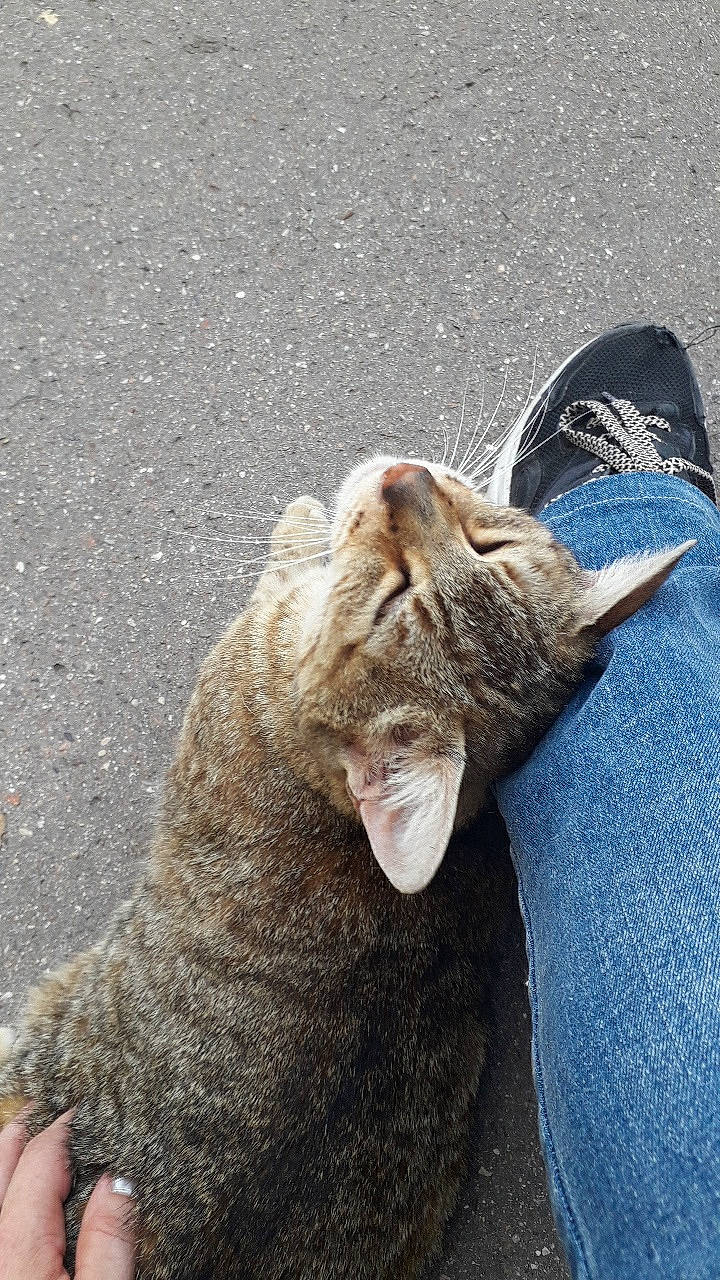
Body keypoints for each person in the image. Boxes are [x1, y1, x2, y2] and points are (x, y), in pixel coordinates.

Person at [1, 323, 718, 1279]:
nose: (410, 492)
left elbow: (307, 597)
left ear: (371, 766)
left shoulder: (272, 729)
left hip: (75, 1163)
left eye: (392, 592)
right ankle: (631, 518)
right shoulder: (389, 711)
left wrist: (305, 565)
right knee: (660, 633)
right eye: (487, 538)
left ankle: (620, 518)